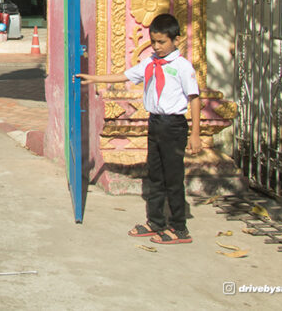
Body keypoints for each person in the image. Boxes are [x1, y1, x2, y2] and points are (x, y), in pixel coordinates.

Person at [78, 13, 202, 244]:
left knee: (173, 177)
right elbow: (124, 76)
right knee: (154, 174)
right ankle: (156, 221)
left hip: (174, 125)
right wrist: (93, 78)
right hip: (155, 122)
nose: (157, 46)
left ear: (175, 40)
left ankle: (179, 227)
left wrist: (195, 134)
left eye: (162, 42)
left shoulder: (183, 67)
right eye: (153, 42)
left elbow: (194, 98)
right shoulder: (150, 63)